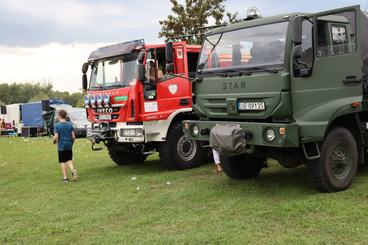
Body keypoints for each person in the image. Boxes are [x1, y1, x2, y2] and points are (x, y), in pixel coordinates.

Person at [53, 109, 78, 183]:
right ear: (66, 116)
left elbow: (56, 137)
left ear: (58, 116)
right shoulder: (70, 125)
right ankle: (73, 170)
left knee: (62, 161)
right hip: (69, 145)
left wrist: (53, 140)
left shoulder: (57, 126)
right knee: (69, 160)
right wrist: (71, 143)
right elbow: (73, 136)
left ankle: (65, 178)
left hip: (61, 146)